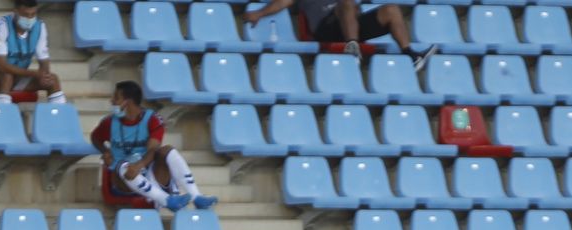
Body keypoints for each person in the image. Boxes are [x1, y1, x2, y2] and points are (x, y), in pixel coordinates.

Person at [92, 81, 216, 212]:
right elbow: (95, 138)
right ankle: (167, 200)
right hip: (122, 177)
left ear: (127, 102)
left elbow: (153, 149)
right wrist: (105, 151)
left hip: (149, 170)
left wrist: (139, 165)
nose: (112, 101)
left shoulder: (152, 119)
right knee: (124, 167)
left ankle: (196, 197)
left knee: (168, 150)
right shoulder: (109, 122)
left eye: (116, 98)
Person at [244, 0, 437, 69]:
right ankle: (352, 47)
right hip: (326, 28)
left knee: (391, 9)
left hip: (349, 24)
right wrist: (259, 14)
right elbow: (282, 2)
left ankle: (411, 55)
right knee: (346, 2)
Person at [0, 0, 66, 104]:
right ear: (15, 11)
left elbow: (43, 60)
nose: (29, 19)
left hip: (17, 77)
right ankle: (3, 115)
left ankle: (59, 117)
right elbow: (2, 66)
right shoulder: (1, 25)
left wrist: (44, 75)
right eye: (25, 15)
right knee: (6, 76)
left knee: (53, 80)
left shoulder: (40, 26)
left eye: (33, 14)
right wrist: (34, 73)